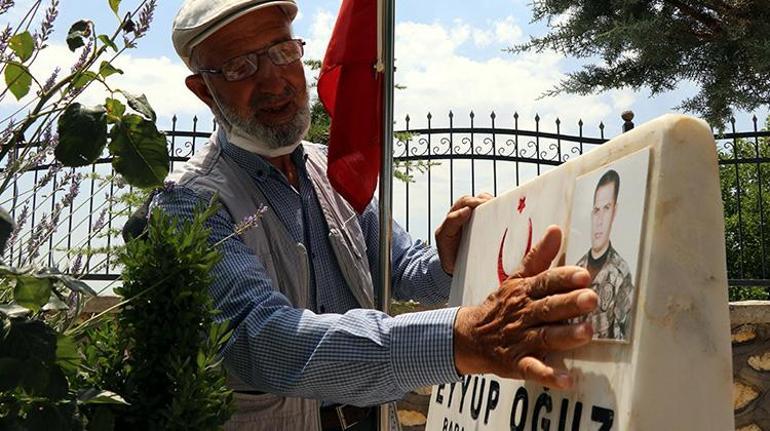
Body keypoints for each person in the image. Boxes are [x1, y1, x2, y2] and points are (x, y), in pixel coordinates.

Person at [154, 0, 600, 429]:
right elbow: (264, 339)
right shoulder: (190, 203)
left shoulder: (334, 171)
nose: (274, 81)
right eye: (239, 66)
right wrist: (461, 338)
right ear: (203, 91)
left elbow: (402, 268)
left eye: (282, 52)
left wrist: (448, 259)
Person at [575, 169, 635, 340]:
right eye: (596, 210)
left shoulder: (621, 276)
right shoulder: (575, 268)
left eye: (606, 209)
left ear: (615, 212)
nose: (599, 220)